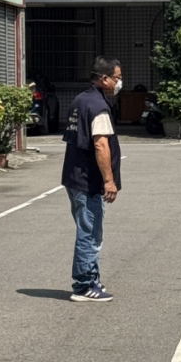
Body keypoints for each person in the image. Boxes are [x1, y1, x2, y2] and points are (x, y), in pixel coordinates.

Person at [62, 57, 122, 302]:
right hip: (88, 181)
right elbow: (100, 145)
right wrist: (109, 181)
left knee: (87, 228)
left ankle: (91, 277)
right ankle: (84, 285)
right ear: (104, 78)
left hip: (74, 177)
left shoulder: (80, 100)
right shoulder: (99, 107)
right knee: (90, 233)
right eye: (117, 78)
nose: (119, 83)